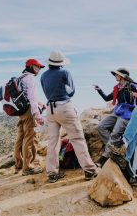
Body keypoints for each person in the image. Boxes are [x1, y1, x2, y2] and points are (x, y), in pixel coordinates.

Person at [41, 51, 99, 183]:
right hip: (64, 107)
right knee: (77, 138)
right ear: (61, 63)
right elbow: (71, 91)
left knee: (53, 142)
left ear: (49, 62)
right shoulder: (64, 73)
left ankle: (52, 173)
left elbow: (46, 92)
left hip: (50, 110)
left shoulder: (43, 76)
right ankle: (89, 170)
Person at [94, 68, 137, 167]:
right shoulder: (117, 88)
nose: (115, 76)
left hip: (127, 113)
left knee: (114, 134)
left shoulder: (132, 86)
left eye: (116, 75)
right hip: (118, 112)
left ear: (122, 76)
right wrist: (99, 90)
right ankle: (113, 149)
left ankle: (103, 159)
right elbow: (106, 98)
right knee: (101, 126)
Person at [14, 59, 46, 176]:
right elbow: (32, 99)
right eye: (37, 67)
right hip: (28, 112)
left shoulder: (21, 78)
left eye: (40, 67)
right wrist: (37, 115)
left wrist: (40, 103)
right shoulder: (31, 78)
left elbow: (28, 96)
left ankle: (18, 164)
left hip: (20, 112)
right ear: (31, 66)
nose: (39, 69)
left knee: (20, 138)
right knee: (30, 138)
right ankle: (27, 168)